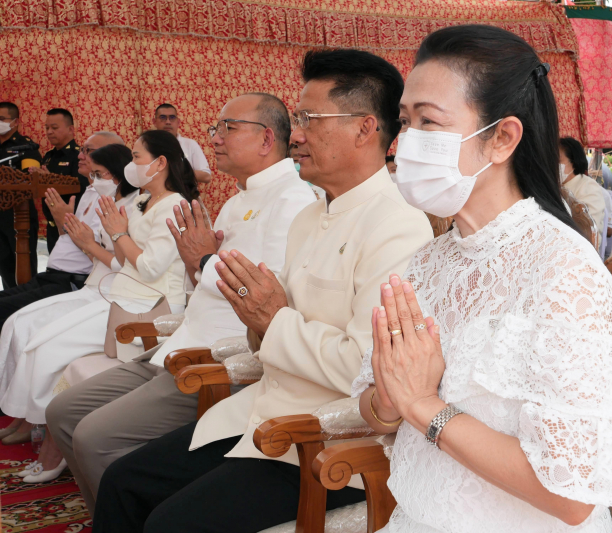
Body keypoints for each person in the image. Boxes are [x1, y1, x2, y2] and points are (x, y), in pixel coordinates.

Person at [92, 48, 434, 532]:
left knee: (170, 524)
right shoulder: (310, 216)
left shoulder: (399, 227)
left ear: (364, 128)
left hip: (319, 441)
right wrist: (257, 317)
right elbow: (269, 329)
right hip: (259, 412)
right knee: (122, 483)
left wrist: (272, 319)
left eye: (311, 119)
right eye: (298, 118)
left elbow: (366, 370)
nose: (295, 135)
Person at [348, 24, 612, 533]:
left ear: (501, 138)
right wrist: (392, 397)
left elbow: (569, 495)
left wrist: (424, 407)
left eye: (428, 123)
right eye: (405, 122)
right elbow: (378, 409)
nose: (406, 144)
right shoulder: (428, 262)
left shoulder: (563, 268)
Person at [46, 93, 317, 512]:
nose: (215, 139)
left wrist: (203, 260)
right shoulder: (235, 201)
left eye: (227, 128)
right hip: (176, 344)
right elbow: (201, 279)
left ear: (266, 139)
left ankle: (128, 513)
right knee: (63, 411)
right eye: (215, 129)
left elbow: (269, 295)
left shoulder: (294, 201)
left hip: (217, 360)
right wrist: (199, 265)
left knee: (93, 438)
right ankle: (121, 512)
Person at [8, 129, 196, 483]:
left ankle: (53, 447)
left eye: (137, 157)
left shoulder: (175, 204)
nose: (131, 166)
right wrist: (115, 233)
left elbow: (152, 268)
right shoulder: (142, 201)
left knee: (49, 345)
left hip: (151, 304)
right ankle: (37, 429)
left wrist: (118, 233)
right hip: (122, 293)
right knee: (35, 334)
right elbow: (125, 262)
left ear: (160, 164)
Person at [0, 143, 139, 476]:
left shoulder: (140, 206)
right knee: (17, 324)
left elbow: (134, 266)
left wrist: (87, 240)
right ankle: (25, 415)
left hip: (117, 294)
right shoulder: (108, 198)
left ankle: (51, 441)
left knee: (43, 343)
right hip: (97, 285)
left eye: (99, 173)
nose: (93, 177)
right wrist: (67, 223)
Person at [0, 132, 133, 331]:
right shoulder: (90, 192)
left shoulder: (115, 200)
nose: (80, 155)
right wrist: (63, 221)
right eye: (82, 150)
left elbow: (100, 254)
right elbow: (72, 240)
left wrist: (66, 223)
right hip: (52, 275)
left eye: (89, 151)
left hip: (73, 281)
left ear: (113, 158)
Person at [0, 102, 40, 288]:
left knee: (24, 267)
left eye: (2, 119)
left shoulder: (26, 147)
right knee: (5, 267)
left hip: (18, 216)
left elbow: (29, 181)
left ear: (15, 122)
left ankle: (27, 307)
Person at [38, 108, 85, 252]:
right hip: (52, 225)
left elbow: (80, 188)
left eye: (54, 127)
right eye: (47, 128)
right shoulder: (49, 156)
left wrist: (49, 180)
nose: (49, 132)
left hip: (72, 225)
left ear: (70, 129)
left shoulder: (78, 156)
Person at [152, 103, 212, 184]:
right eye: (163, 118)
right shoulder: (146, 145)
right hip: (154, 196)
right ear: (154, 122)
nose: (168, 122)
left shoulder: (190, 144)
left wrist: (174, 172)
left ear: (178, 122)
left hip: (184, 195)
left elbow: (206, 176)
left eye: (172, 117)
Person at [559, 136, 606, 236]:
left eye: (557, 160)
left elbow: (590, 229)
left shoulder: (588, 187)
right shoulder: (555, 187)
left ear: (573, 162)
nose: (552, 165)